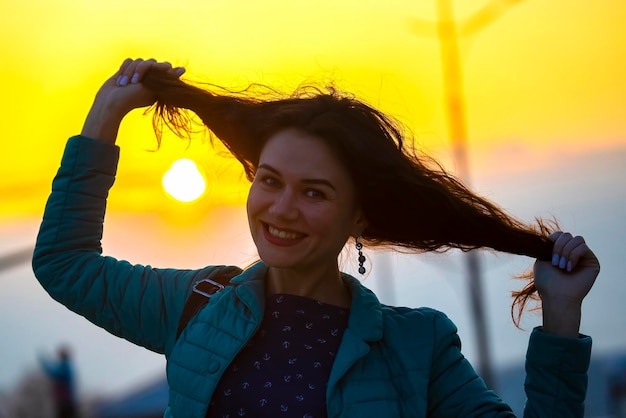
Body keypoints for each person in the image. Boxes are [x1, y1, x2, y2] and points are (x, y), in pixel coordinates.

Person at [33, 58, 600, 417]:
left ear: (360, 218)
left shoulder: (416, 346)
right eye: (270, 181)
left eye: (315, 192)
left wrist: (560, 317)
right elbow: (63, 263)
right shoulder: (195, 307)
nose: (282, 208)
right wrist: (102, 122)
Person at [39, 345, 77, 418]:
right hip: (65, 402)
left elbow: (53, 372)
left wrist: (44, 362)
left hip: (65, 403)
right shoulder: (66, 366)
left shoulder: (65, 367)